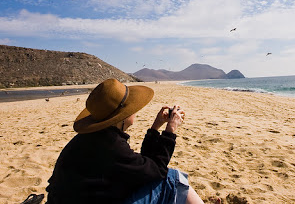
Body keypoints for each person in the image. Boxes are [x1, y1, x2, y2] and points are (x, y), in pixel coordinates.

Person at [46, 78, 204, 204]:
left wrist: (156, 127)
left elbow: (145, 167)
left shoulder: (94, 137)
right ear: (120, 117)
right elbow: (157, 171)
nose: (135, 109)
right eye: (131, 107)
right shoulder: (111, 146)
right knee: (172, 178)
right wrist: (170, 130)